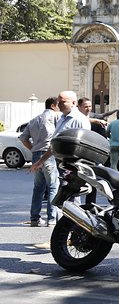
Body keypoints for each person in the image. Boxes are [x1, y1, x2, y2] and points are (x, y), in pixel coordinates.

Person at [19, 97, 60, 227]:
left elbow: (23, 138)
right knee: (53, 186)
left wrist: (34, 149)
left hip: (36, 155)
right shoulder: (56, 117)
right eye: (58, 105)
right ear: (53, 106)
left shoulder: (34, 120)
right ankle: (52, 218)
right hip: (49, 154)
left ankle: (34, 218)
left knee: (38, 188)